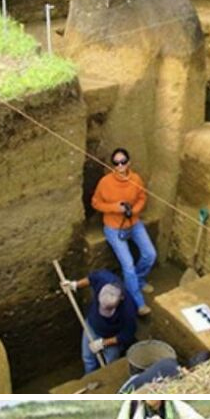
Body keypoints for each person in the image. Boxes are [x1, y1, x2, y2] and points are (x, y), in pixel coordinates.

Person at [91, 148, 156, 317]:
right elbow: (96, 203)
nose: (120, 165)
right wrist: (115, 207)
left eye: (123, 161)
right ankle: (138, 302)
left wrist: (134, 210)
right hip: (113, 227)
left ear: (129, 162)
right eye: (116, 163)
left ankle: (139, 280)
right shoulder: (105, 182)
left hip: (133, 223)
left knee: (150, 254)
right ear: (113, 165)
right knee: (128, 265)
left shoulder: (135, 179)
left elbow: (142, 197)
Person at [62, 270, 137, 374]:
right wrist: (74, 284)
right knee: (88, 358)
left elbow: (126, 335)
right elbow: (91, 279)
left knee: (110, 366)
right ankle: (90, 379)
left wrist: (104, 343)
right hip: (92, 326)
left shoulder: (129, 310)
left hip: (112, 336)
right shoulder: (104, 279)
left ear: (121, 299)